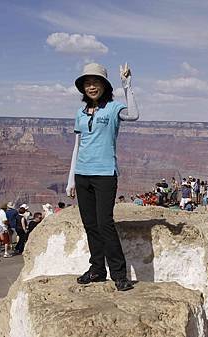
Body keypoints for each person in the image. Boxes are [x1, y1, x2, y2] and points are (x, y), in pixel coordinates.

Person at [65, 62, 138, 292]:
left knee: (105, 223)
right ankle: (97, 269)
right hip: (82, 174)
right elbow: (77, 146)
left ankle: (119, 274)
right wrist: (71, 179)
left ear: (105, 86)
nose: (91, 86)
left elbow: (134, 114)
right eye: (87, 83)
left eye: (95, 82)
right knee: (90, 225)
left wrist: (127, 85)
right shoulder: (80, 112)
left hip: (105, 174)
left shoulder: (114, 108)